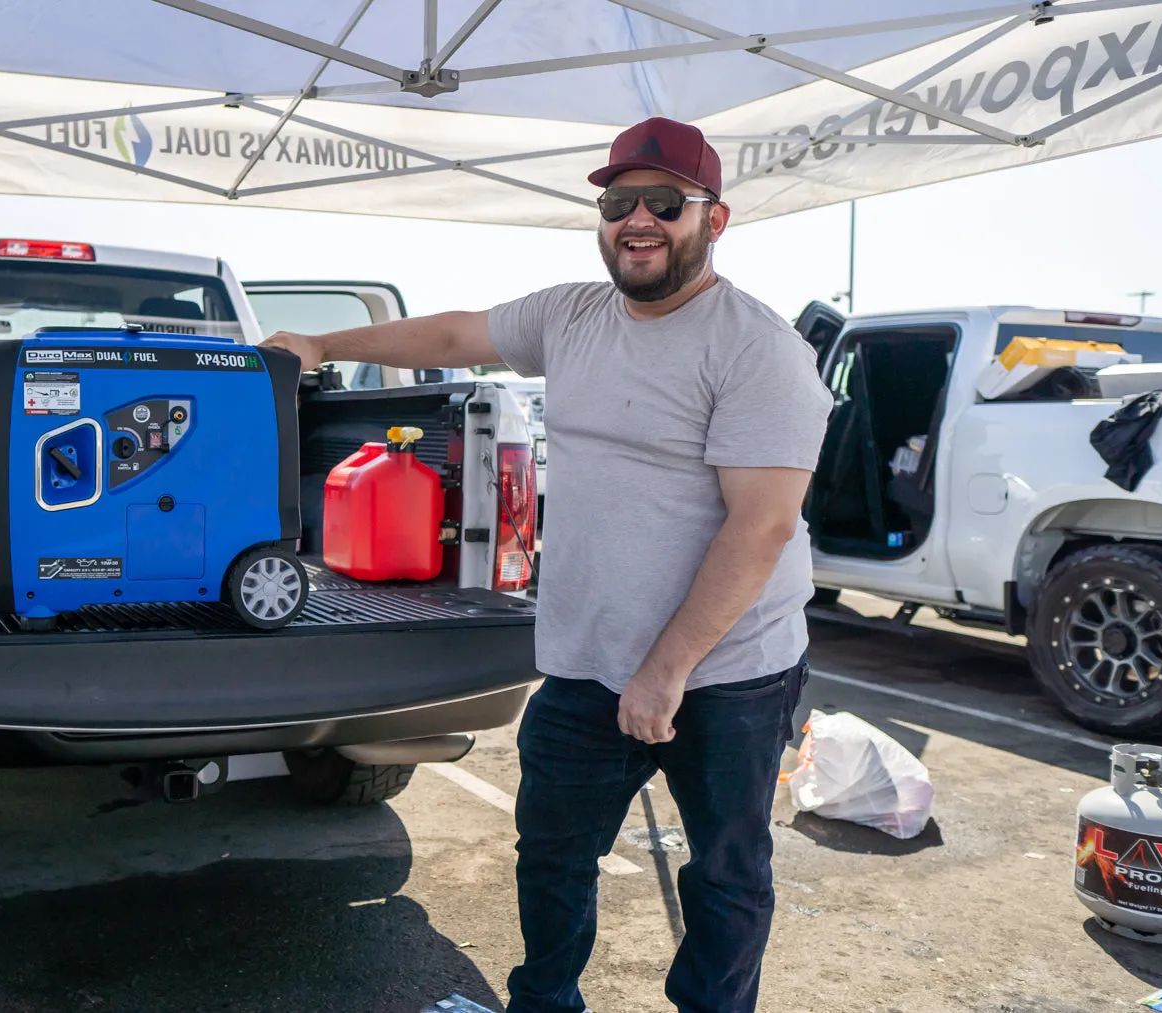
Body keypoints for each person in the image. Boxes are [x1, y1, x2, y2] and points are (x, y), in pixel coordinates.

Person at [263, 117, 834, 1013]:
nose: (635, 220)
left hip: (726, 671)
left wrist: (665, 671)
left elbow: (761, 528)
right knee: (554, 852)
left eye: (663, 203)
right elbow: (456, 337)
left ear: (713, 221)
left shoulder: (758, 349)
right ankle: (544, 1002)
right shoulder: (572, 314)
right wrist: (326, 346)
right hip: (585, 659)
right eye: (617, 202)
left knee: (725, 871)